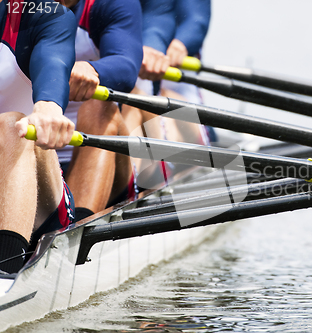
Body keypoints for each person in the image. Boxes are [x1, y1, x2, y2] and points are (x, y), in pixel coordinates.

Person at [0, 0, 77, 274]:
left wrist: (48, 107)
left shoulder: (45, 15)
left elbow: (52, 61)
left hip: (41, 202)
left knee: (13, 124)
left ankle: (6, 266)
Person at [55, 0, 143, 221]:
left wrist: (91, 68)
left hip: (96, 154)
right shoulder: (16, 9)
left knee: (99, 105)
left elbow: (127, 66)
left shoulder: (108, 5)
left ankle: (78, 228)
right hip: (33, 151)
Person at [123, 0, 211, 188]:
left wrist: (179, 45)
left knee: (153, 99)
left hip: (183, 105)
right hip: (136, 102)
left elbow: (197, 21)